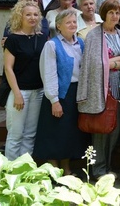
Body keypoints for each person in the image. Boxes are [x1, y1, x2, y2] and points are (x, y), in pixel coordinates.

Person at [77, 0, 120, 180]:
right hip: (101, 88)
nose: (115, 16)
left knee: (114, 129)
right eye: (111, 12)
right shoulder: (94, 35)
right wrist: (117, 61)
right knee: (100, 130)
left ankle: (107, 167)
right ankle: (98, 170)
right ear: (104, 14)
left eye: (117, 13)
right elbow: (93, 63)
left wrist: (113, 62)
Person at [34, 9, 89, 175]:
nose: (72, 25)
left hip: (75, 94)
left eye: (74, 22)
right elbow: (48, 73)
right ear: (58, 26)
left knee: (69, 133)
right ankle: (55, 170)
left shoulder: (80, 42)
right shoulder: (51, 45)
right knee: (55, 133)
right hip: (59, 94)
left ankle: (67, 168)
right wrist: (54, 100)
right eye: (68, 22)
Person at [3, 0, 48, 160]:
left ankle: (24, 170)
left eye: (35, 14)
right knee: (15, 135)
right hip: (20, 91)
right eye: (28, 14)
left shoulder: (43, 38)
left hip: (38, 92)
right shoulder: (13, 39)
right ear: (20, 16)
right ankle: (10, 173)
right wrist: (17, 94)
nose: (32, 17)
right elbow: (8, 68)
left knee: (30, 135)